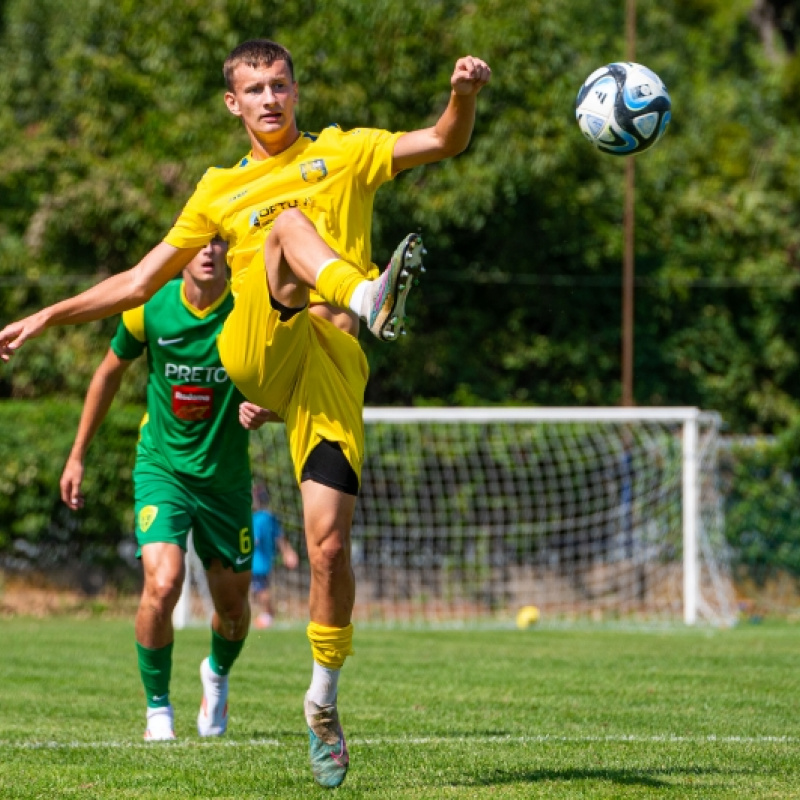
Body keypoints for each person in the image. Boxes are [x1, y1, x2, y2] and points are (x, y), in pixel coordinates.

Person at [1, 39, 491, 786]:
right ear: (234, 103)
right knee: (291, 227)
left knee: (328, 548)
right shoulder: (217, 191)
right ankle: (366, 295)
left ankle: (323, 703)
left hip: (330, 365)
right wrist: (47, 315)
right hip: (256, 343)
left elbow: (444, 140)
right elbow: (138, 281)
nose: (269, 99)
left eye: (280, 85)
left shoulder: (347, 152)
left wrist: (463, 93)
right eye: (254, 89)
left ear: (297, 91)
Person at [59, 237, 275, 741]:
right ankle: (158, 711)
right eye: (198, 242)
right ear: (179, 253)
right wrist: (77, 455)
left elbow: (284, 382)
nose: (208, 251)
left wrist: (268, 409)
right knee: (162, 583)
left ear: (229, 253)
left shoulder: (248, 313)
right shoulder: (148, 309)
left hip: (225, 481)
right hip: (163, 469)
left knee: (234, 610)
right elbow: (108, 372)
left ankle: (216, 677)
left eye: (218, 242)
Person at [250, 482, 299, 629]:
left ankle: (268, 615)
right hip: (266, 559)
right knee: (259, 588)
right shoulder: (270, 517)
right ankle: (265, 614)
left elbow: (254, 540)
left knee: (260, 588)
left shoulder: (257, 518)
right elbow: (280, 536)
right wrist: (288, 552)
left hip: (256, 560)